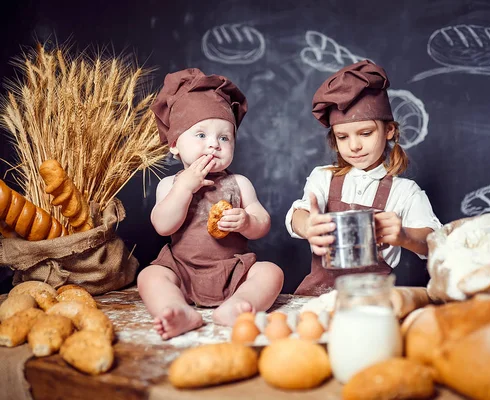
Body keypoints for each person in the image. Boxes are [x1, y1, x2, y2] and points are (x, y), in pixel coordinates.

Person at [138, 68, 284, 338]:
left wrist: (248, 220)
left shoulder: (239, 183)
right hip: (182, 271)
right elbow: (163, 226)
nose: (214, 145)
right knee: (150, 277)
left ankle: (239, 306)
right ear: (174, 145)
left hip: (232, 272)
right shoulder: (170, 185)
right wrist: (184, 187)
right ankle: (177, 310)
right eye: (201, 135)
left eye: (224, 138)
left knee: (270, 272)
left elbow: (262, 223)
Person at [285, 60, 442, 296]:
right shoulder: (323, 177)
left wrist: (404, 236)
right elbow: (299, 213)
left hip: (371, 300)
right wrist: (307, 225)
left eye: (365, 133)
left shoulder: (405, 191)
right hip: (315, 298)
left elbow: (434, 241)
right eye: (343, 137)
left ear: (389, 130)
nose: (355, 146)